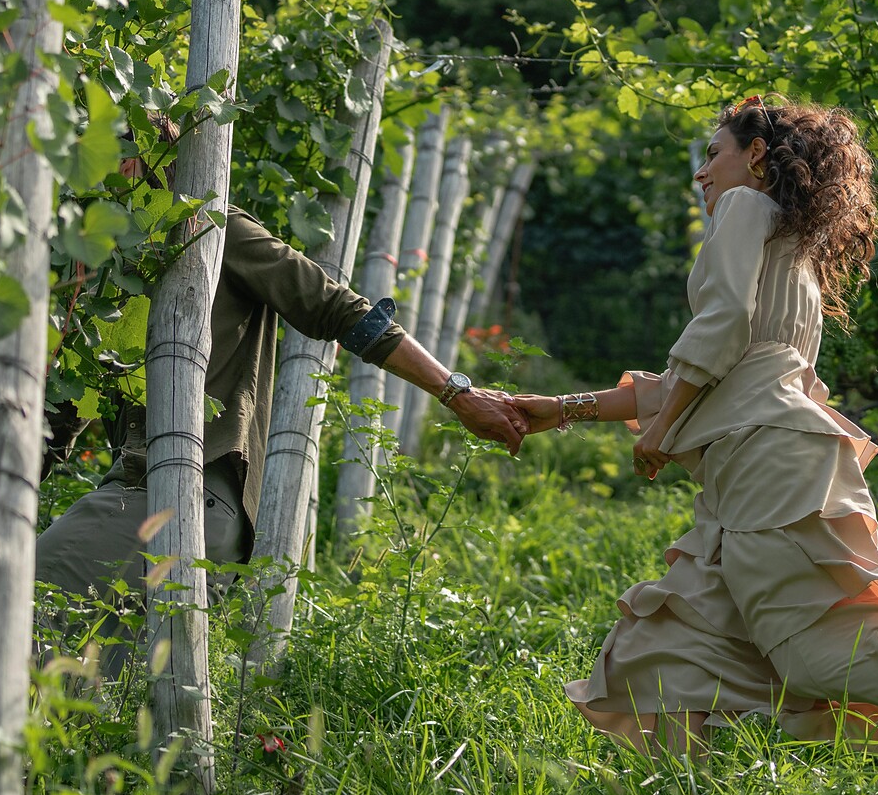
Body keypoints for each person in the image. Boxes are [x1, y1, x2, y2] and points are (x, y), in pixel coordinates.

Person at [511, 96, 878, 755]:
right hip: (760, 468)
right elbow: (717, 373)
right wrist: (560, 409)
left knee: (820, 654)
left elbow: (722, 326)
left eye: (713, 154)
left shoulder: (744, 207)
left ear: (757, 155)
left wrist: (659, 432)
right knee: (675, 644)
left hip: (766, 468)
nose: (702, 173)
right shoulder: (793, 250)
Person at [37, 131, 526, 676]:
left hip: (185, 497)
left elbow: (339, 309)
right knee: (76, 692)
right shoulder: (109, 268)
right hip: (145, 499)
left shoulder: (213, 228)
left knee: (23, 600)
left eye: (106, 155)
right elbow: (63, 412)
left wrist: (456, 393)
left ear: (140, 160)